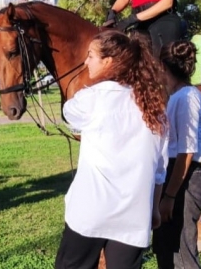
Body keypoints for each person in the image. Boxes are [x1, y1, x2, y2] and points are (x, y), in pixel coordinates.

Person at [55, 30, 168, 269]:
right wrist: (154, 209)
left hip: (91, 210)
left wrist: (93, 84)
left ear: (108, 62)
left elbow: (68, 113)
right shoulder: (154, 105)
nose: (85, 62)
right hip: (134, 213)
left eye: (91, 56)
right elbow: (160, 168)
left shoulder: (92, 98)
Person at [152, 41, 201, 269]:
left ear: (163, 66)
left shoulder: (186, 98)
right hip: (177, 177)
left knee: (182, 251)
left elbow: (186, 153)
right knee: (166, 246)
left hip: (184, 180)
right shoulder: (184, 95)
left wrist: (169, 196)